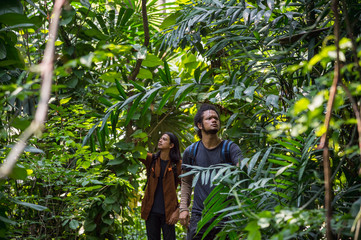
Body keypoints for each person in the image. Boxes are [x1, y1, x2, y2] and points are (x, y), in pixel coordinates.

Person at [179, 104, 243, 240]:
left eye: (216, 118)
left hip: (226, 215)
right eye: (209, 118)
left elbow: (243, 173)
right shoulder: (191, 152)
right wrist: (183, 208)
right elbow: (186, 181)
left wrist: (243, 166)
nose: (214, 120)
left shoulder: (230, 148)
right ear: (200, 125)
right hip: (199, 215)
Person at [139, 132, 182, 240]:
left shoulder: (177, 165)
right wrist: (138, 138)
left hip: (169, 214)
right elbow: (136, 152)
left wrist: (178, 211)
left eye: (164, 139)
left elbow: (186, 188)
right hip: (151, 212)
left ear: (171, 145)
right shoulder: (151, 159)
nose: (160, 140)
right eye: (160, 138)